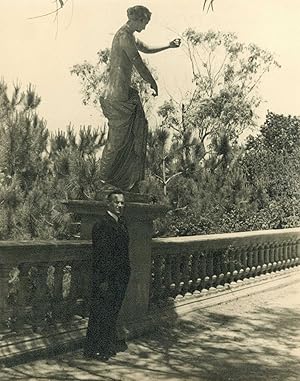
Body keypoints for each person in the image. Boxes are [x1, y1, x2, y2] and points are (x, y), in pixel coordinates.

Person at [99, 5, 181, 191]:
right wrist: (152, 82)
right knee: (117, 140)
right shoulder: (124, 36)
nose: (145, 27)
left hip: (122, 94)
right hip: (116, 96)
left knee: (136, 129)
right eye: (144, 23)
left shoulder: (129, 35)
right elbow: (138, 62)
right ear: (137, 19)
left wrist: (168, 45)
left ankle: (123, 182)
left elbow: (146, 48)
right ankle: (103, 181)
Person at [84, 190, 130, 361]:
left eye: (122, 203)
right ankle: (97, 349)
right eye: (116, 202)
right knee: (101, 313)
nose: (119, 205)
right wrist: (103, 280)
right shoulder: (102, 224)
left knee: (111, 313)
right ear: (108, 204)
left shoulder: (122, 223)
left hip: (120, 277)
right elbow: (101, 256)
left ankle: (104, 347)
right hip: (106, 278)